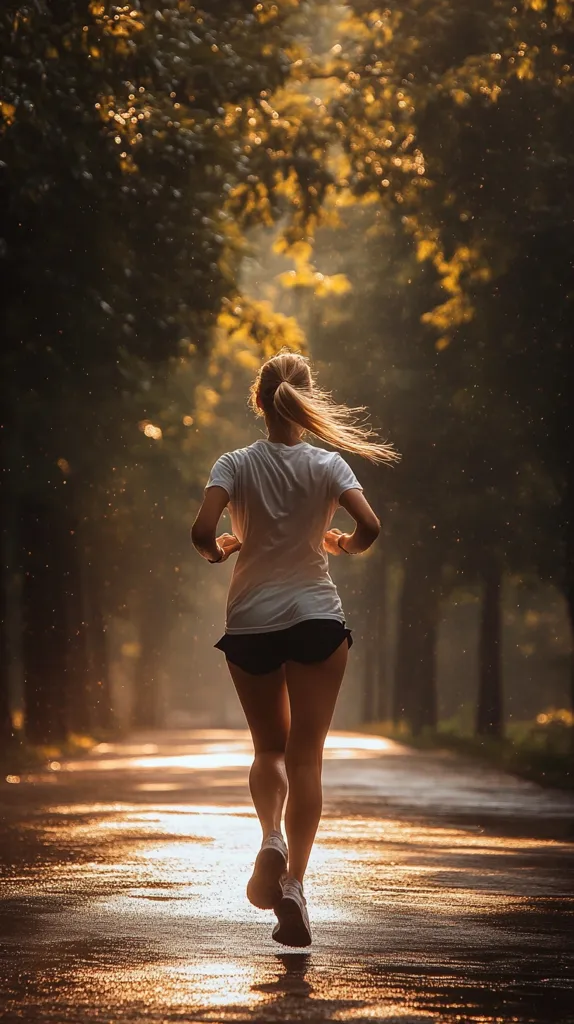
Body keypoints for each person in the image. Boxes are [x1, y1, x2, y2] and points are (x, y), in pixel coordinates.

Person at [191, 349, 398, 946]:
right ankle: (296, 886)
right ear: (308, 402)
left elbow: (202, 533)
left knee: (269, 750)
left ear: (259, 401)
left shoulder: (233, 464)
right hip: (316, 618)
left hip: (251, 621)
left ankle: (271, 840)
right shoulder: (330, 465)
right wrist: (342, 544)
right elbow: (372, 528)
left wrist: (222, 551)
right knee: (307, 757)